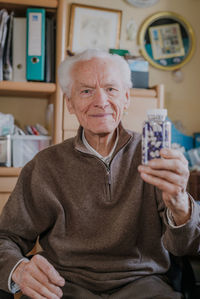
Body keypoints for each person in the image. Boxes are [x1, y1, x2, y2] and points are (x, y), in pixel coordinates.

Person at [0, 49, 199, 299]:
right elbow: (6, 238)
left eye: (111, 89)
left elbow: (186, 247)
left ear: (126, 98)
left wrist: (181, 206)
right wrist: (18, 270)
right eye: (86, 91)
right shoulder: (45, 165)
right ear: (69, 103)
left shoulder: (157, 158)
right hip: (63, 285)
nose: (101, 101)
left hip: (143, 285)